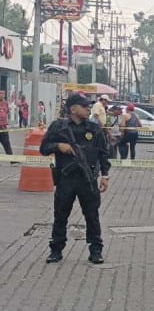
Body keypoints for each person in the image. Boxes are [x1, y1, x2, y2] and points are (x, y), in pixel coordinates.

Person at [39, 93, 110, 264]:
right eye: (84, 106)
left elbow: (103, 153)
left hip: (87, 179)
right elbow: (44, 148)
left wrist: (105, 176)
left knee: (92, 216)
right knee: (60, 215)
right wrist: (58, 146)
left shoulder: (93, 129)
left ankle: (95, 250)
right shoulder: (58, 127)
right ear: (73, 109)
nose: (88, 109)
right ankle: (56, 249)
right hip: (66, 179)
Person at [0, 90, 13, 155]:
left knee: (7, 143)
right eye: (0, 93)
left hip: (3, 127)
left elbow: (7, 111)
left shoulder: (5, 103)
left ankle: (13, 160)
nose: (2, 95)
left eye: (3, 94)